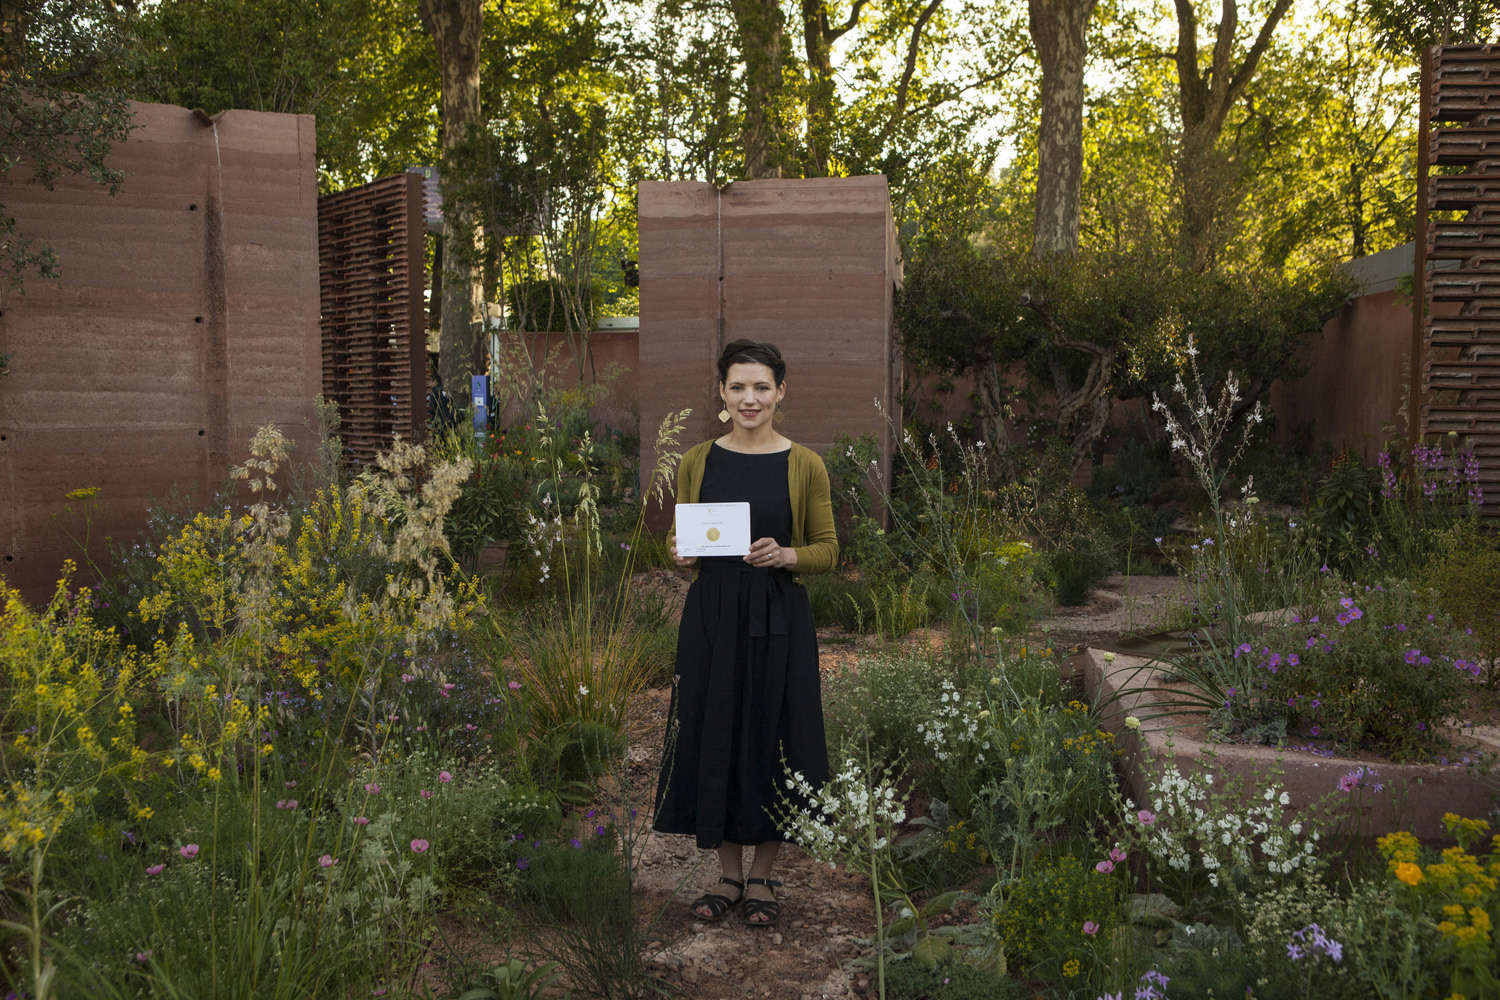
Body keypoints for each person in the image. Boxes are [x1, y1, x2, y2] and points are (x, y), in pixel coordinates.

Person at [653, 340, 838, 927]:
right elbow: (680, 539)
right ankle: (728, 877)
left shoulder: (804, 463)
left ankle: (763, 876)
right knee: (717, 729)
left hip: (779, 615)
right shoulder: (697, 460)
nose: (749, 398)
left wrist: (787, 554)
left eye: (761, 387)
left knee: (774, 731)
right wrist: (678, 553)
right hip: (712, 615)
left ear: (781, 391)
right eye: (738, 387)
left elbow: (828, 550)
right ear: (722, 393)